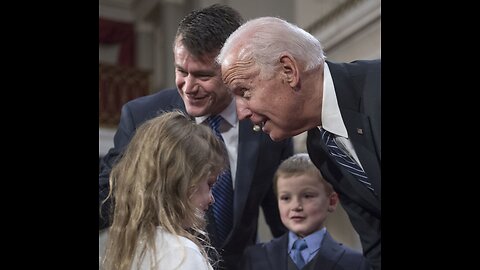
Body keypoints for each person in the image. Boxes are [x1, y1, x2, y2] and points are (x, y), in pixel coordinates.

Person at [99, 5, 294, 270]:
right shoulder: (143, 116)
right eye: (181, 71)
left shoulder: (266, 117)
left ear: (232, 69)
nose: (188, 87)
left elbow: (281, 215)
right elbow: (111, 195)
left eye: (203, 75)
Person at [217, 17, 381, 269]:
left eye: (244, 92)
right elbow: (375, 242)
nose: (241, 113)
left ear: (288, 71)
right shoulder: (321, 146)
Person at [101, 110, 228, 270]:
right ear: (183, 182)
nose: (211, 198)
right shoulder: (182, 255)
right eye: (209, 184)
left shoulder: (113, 244)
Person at [240, 153, 370, 270]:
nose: (296, 206)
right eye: (286, 198)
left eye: (307, 196)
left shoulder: (354, 263)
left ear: (332, 202)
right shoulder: (255, 257)